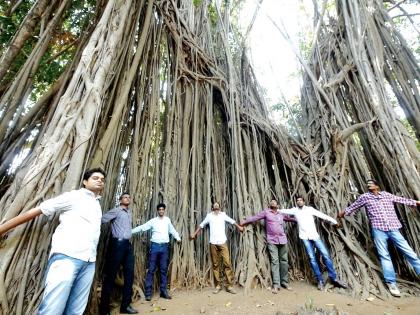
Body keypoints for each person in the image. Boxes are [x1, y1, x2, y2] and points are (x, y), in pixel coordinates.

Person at [0, 168, 106, 315]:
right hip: (67, 257)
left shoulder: (97, 204)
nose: (100, 180)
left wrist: (91, 262)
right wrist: (2, 228)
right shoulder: (73, 197)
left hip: (89, 262)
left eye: (102, 179)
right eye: (95, 178)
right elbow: (39, 210)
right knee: (52, 309)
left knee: (76, 311)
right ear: (85, 182)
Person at [338, 179, 420, 297]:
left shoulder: (386, 195)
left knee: (410, 253)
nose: (368, 185)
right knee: (385, 256)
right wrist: (343, 213)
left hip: (393, 228)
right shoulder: (365, 197)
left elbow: (401, 200)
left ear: (377, 185)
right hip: (378, 230)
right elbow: (354, 206)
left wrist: (416, 202)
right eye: (367, 184)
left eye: (371, 183)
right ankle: (391, 283)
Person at [280, 196, 347, 291]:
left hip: (314, 236)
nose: (299, 202)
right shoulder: (294, 210)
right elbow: (283, 211)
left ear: (304, 201)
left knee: (326, 255)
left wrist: (334, 221)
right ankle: (320, 281)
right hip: (304, 237)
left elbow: (322, 215)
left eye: (300, 200)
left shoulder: (310, 209)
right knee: (312, 258)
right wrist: (274, 209)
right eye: (297, 200)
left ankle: (333, 278)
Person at [240, 199, 295, 293]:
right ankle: (276, 284)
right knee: (275, 261)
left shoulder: (281, 214)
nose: (273, 202)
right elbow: (255, 218)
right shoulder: (266, 212)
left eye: (275, 202)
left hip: (282, 240)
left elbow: (290, 219)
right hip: (272, 240)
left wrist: (300, 220)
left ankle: (284, 282)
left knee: (284, 261)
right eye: (271, 202)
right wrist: (244, 222)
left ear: (278, 204)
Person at [190, 202, 243, 294]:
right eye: (214, 206)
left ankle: (229, 285)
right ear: (212, 208)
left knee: (227, 263)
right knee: (215, 264)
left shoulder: (223, 215)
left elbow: (232, 221)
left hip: (222, 242)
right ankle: (218, 285)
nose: (216, 207)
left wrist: (239, 227)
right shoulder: (209, 216)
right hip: (213, 243)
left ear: (219, 207)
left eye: (217, 205)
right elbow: (201, 225)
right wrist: (194, 234)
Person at [131, 203, 180, 301]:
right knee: (151, 269)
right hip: (155, 247)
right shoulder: (153, 221)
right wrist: (130, 231)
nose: (161, 211)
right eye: (159, 209)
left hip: (164, 247)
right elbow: (142, 227)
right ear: (157, 211)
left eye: (162, 209)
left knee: (163, 270)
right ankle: (148, 293)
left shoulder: (167, 220)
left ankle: (163, 292)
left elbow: (172, 230)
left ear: (164, 210)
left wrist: (177, 237)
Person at [99, 193, 137, 314]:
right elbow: (102, 219)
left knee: (129, 274)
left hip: (128, 245)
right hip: (117, 244)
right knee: (111, 275)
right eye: (125, 197)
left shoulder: (129, 213)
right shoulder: (116, 211)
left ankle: (125, 306)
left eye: (129, 197)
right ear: (120, 200)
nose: (127, 199)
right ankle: (104, 309)